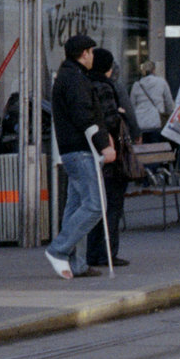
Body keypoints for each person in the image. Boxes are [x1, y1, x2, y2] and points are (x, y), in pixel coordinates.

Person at [45, 34, 114, 280]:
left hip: (73, 149)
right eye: (91, 52)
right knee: (95, 205)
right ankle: (58, 249)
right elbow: (85, 116)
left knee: (75, 207)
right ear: (84, 54)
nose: (93, 56)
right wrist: (103, 145)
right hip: (81, 149)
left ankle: (77, 263)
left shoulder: (70, 76)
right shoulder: (75, 79)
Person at [85, 48, 140, 269]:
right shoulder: (107, 86)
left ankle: (91, 253)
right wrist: (122, 116)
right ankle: (107, 253)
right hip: (110, 153)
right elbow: (112, 120)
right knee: (112, 205)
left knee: (95, 205)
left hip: (89, 151)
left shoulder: (84, 83)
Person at [130, 59, 174, 144]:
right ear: (154, 70)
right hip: (157, 121)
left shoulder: (136, 85)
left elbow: (132, 105)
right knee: (156, 148)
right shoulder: (161, 82)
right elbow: (169, 103)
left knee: (143, 149)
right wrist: (169, 115)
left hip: (140, 123)